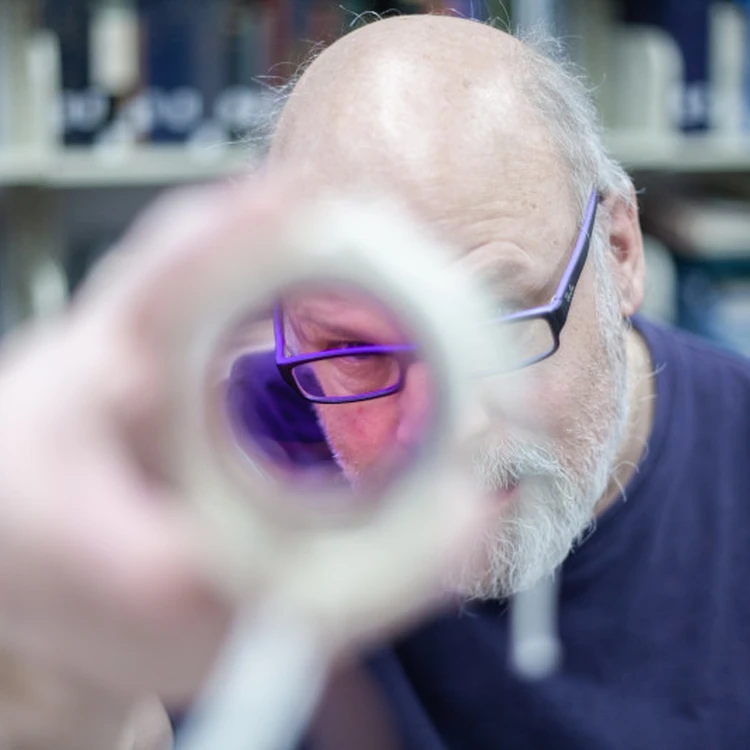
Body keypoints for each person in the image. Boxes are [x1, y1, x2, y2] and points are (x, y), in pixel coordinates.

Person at [1, 12, 750, 749]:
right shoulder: (222, 477)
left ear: (620, 253)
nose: (450, 429)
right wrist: (45, 649)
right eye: (355, 345)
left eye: (495, 315)